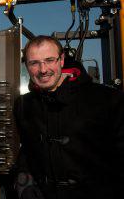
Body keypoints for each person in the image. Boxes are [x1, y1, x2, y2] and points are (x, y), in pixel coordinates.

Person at [13, 35, 124, 199]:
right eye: (34, 63)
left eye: (49, 60)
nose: (43, 69)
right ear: (27, 66)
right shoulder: (24, 104)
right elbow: (26, 152)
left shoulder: (108, 99)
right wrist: (24, 184)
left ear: (61, 60)